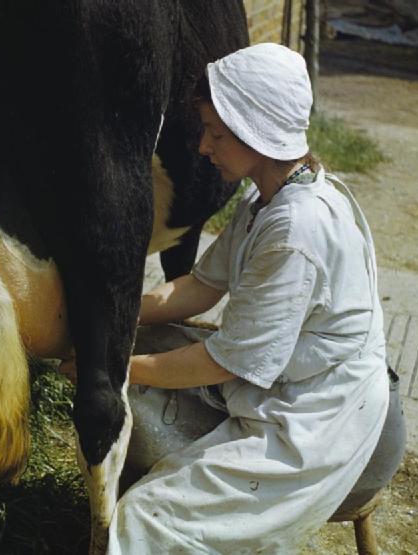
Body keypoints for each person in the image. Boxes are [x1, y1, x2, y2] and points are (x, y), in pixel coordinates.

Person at [61, 43, 392, 554]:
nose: (203, 147)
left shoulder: (296, 231)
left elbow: (229, 361)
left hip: (316, 421)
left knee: (146, 520)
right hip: (284, 387)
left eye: (217, 133)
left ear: (257, 132)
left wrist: (116, 368)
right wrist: (109, 311)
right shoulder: (269, 198)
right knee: (146, 344)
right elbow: (198, 288)